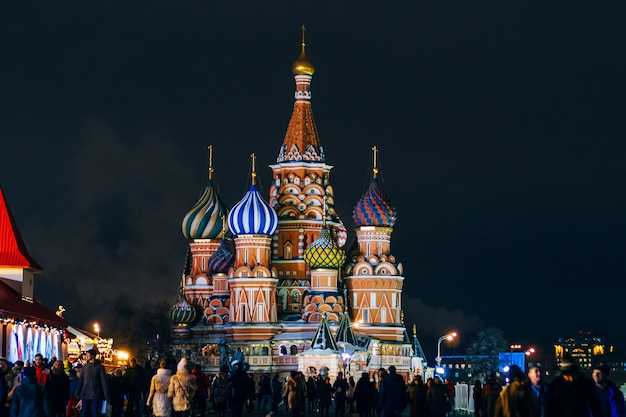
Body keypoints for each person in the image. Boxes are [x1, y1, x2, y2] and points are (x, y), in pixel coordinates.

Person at [75, 348, 110, 417]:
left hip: (96, 395)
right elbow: (81, 381)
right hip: (85, 395)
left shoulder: (100, 367)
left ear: (93, 355)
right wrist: (77, 392)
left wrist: (107, 395)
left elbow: (103, 382)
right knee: (84, 413)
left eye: (88, 354)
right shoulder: (85, 367)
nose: (87, 356)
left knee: (95, 413)